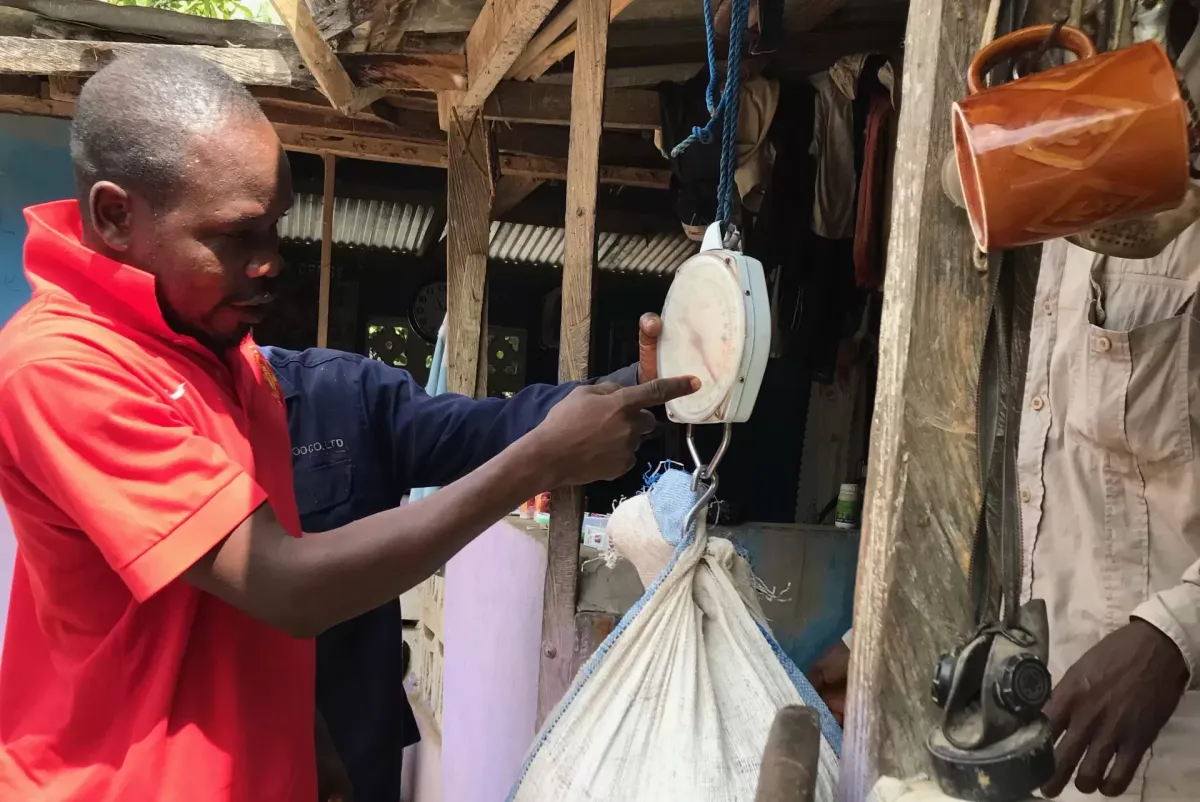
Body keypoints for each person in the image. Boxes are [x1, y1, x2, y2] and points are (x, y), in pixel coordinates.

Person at [0, 51, 697, 802]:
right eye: (236, 237)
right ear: (116, 216)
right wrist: (541, 464)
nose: (271, 264)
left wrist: (308, 743)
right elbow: (283, 584)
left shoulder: (233, 363)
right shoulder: (63, 369)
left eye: (275, 230)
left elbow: (228, 618)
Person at [812, 23, 1200, 801]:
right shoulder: (1081, 149)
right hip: (1034, 730)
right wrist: (881, 635)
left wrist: (1176, 634)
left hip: (1169, 753)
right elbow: (1022, 471)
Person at [263, 315, 663, 802]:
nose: (262, 274)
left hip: (355, 760)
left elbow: (491, 427)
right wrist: (541, 459)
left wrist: (633, 387)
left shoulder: (339, 394)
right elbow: (287, 590)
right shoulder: (177, 425)